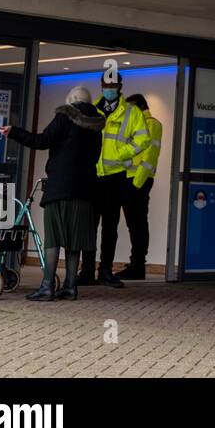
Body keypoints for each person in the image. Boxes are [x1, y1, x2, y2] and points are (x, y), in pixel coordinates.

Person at [1, 87, 103, 302]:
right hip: (85, 190)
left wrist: (14, 131)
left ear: (71, 101)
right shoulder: (96, 126)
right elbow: (94, 156)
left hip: (60, 187)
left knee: (53, 238)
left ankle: (47, 286)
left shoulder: (64, 117)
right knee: (75, 241)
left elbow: (41, 141)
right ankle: (70, 287)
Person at [78, 78, 151, 288]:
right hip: (93, 175)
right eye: (105, 85)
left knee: (110, 227)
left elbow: (143, 139)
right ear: (101, 86)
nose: (109, 89)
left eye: (113, 86)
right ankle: (87, 271)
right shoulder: (91, 110)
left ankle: (106, 271)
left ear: (120, 87)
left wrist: (121, 153)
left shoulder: (131, 111)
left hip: (115, 175)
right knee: (89, 227)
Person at [116, 93, 161, 281]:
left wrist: (136, 184)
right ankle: (135, 263)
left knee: (138, 224)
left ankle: (138, 266)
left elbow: (149, 157)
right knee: (133, 224)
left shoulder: (152, 125)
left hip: (138, 181)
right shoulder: (136, 125)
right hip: (128, 179)